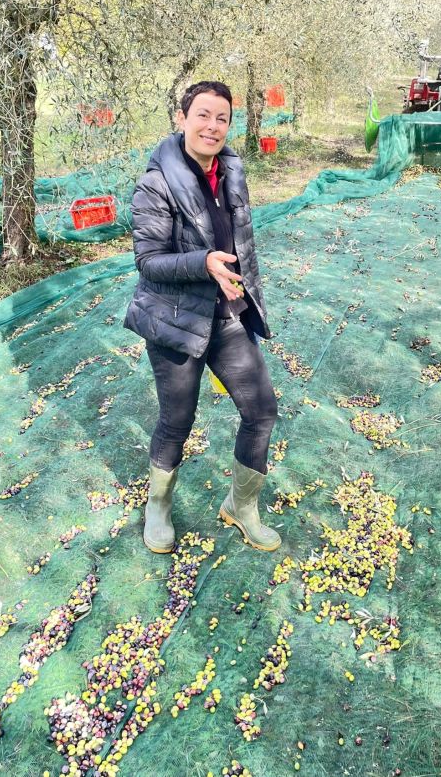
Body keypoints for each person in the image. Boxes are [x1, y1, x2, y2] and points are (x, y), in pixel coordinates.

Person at [124, 80, 281, 555]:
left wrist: (240, 289)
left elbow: (240, 244)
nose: (213, 127)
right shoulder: (156, 183)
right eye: (203, 115)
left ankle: (242, 506)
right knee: (177, 419)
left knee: (261, 409)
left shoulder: (231, 172)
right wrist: (204, 263)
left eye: (222, 118)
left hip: (224, 314)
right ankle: (159, 507)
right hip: (173, 319)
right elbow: (148, 261)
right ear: (182, 118)